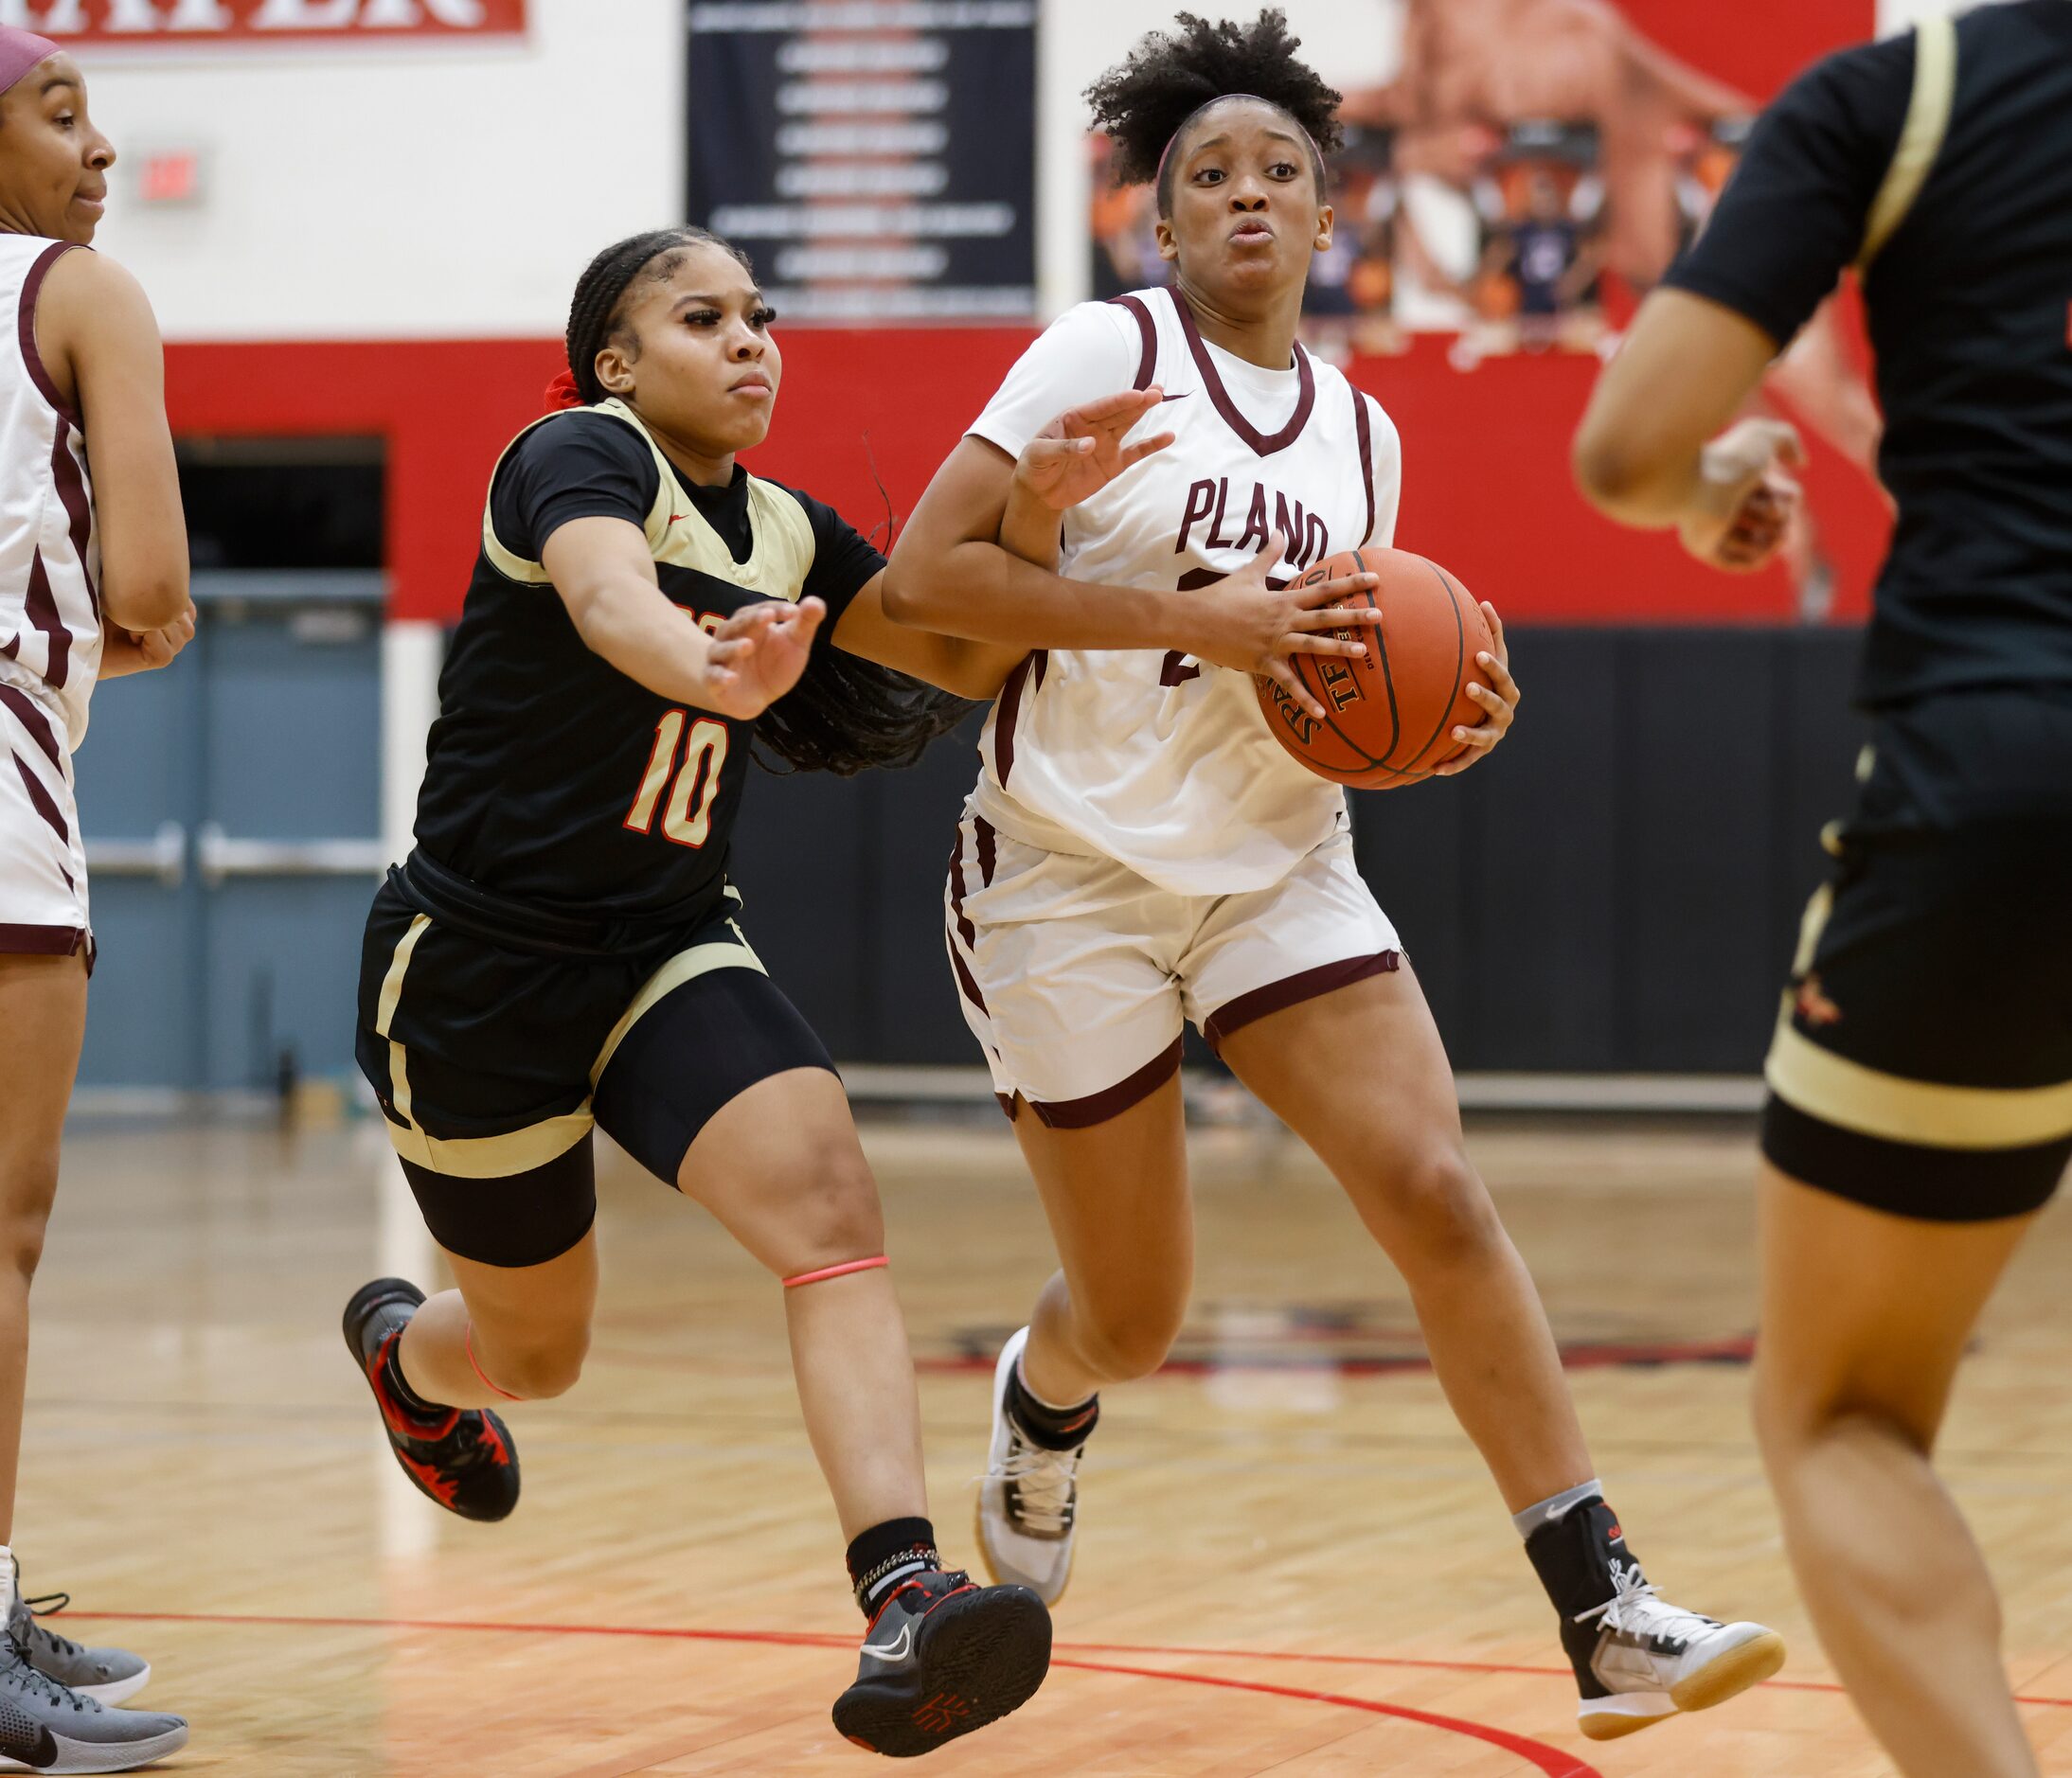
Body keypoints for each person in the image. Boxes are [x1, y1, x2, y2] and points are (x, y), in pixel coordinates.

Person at [885, 8, 1782, 1745]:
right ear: (1157, 221)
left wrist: (1440, 712)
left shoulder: (1365, 436)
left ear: (1325, 215)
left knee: (1436, 1189)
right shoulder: (1096, 354)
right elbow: (929, 579)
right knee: (1136, 1313)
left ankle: (1601, 1607)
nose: (1245, 197)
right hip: (1067, 873)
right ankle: (1045, 1389)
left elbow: (1335, 678)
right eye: (1207, 174)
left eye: (1279, 172)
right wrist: (1179, 617)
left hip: (1275, 866)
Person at [340, 226, 1048, 1759]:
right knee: (538, 1354)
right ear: (615, 360)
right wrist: (702, 664)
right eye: (703, 316)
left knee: (830, 1206)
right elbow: (610, 604)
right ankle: (407, 1354)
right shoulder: (572, 455)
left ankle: (903, 1589)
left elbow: (959, 637)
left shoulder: (787, 528)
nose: (751, 341)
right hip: (474, 965)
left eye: (763, 317)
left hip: (661, 946)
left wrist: (1084, 546)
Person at [1573, 9, 2072, 1773]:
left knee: (1846, 1410)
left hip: (2009, 767)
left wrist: (1717, 483)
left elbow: (1632, 449)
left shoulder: (1906, 96)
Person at [0, 26, 195, 1772]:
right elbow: (150, 587)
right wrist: (111, 633)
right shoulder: (81, 293)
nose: (103, 144)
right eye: (60, 112)